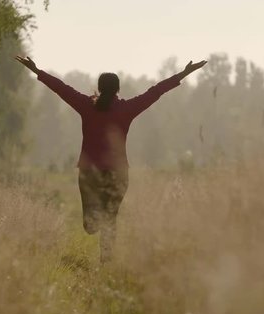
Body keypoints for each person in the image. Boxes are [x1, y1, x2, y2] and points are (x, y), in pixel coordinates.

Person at [15, 55, 207, 263]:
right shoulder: (126, 108)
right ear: (118, 89)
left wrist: (36, 70)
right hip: (118, 173)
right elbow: (155, 91)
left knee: (92, 226)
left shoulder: (86, 105)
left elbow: (61, 88)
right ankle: (105, 259)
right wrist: (184, 73)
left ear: (99, 86)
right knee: (108, 219)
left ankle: (105, 262)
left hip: (89, 174)